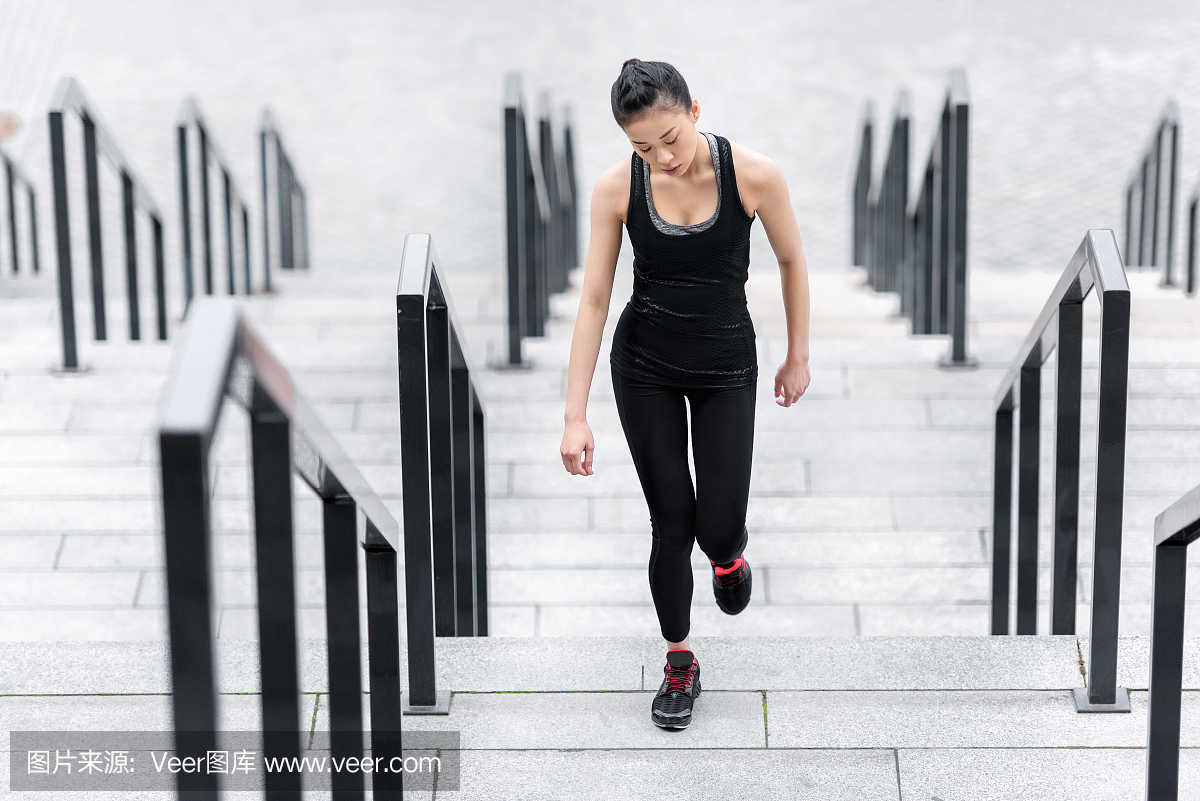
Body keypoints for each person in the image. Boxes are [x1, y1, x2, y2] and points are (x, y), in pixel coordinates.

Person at [558, 58, 811, 730]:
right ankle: (679, 659)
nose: (661, 157)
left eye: (670, 138)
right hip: (644, 365)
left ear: (695, 111)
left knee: (716, 525)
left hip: (728, 362)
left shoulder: (754, 175)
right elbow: (591, 301)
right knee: (671, 525)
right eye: (643, 147)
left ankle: (728, 557)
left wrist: (798, 355)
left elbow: (791, 260)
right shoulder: (617, 190)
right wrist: (575, 414)